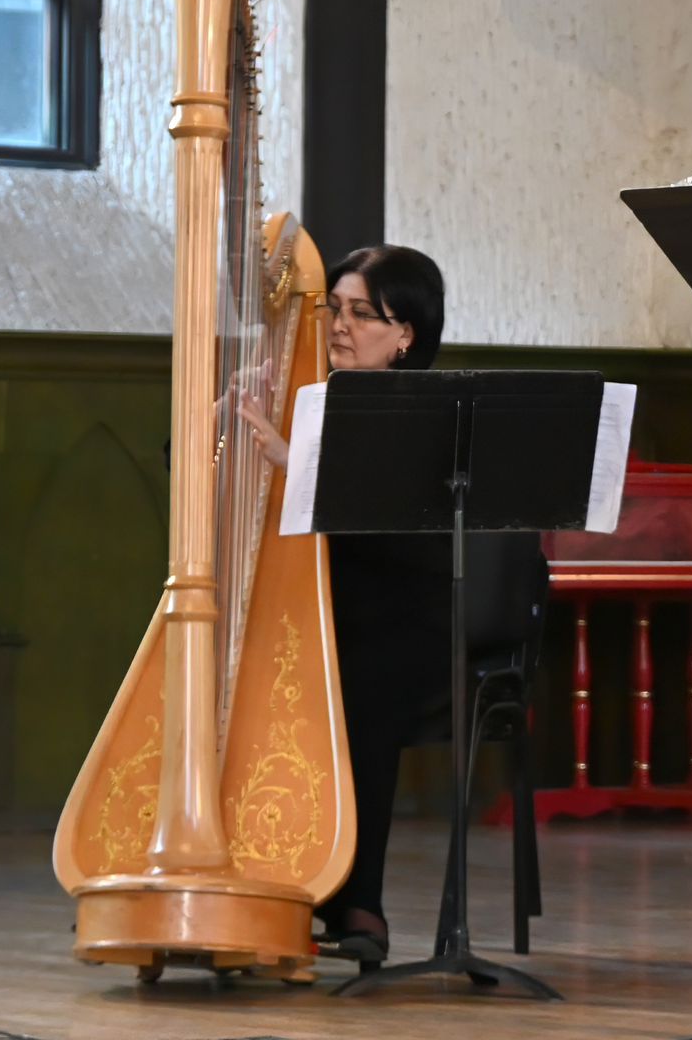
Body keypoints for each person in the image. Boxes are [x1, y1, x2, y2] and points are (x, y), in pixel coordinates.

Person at [241, 242, 546, 966]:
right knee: (273, 668)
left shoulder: (425, 416)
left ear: (405, 332)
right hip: (336, 619)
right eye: (334, 309)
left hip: (416, 628)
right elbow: (190, 467)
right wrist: (227, 417)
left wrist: (294, 464)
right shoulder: (308, 397)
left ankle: (358, 904)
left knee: (356, 677)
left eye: (362, 314)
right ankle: (251, 882)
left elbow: (401, 549)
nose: (340, 326)